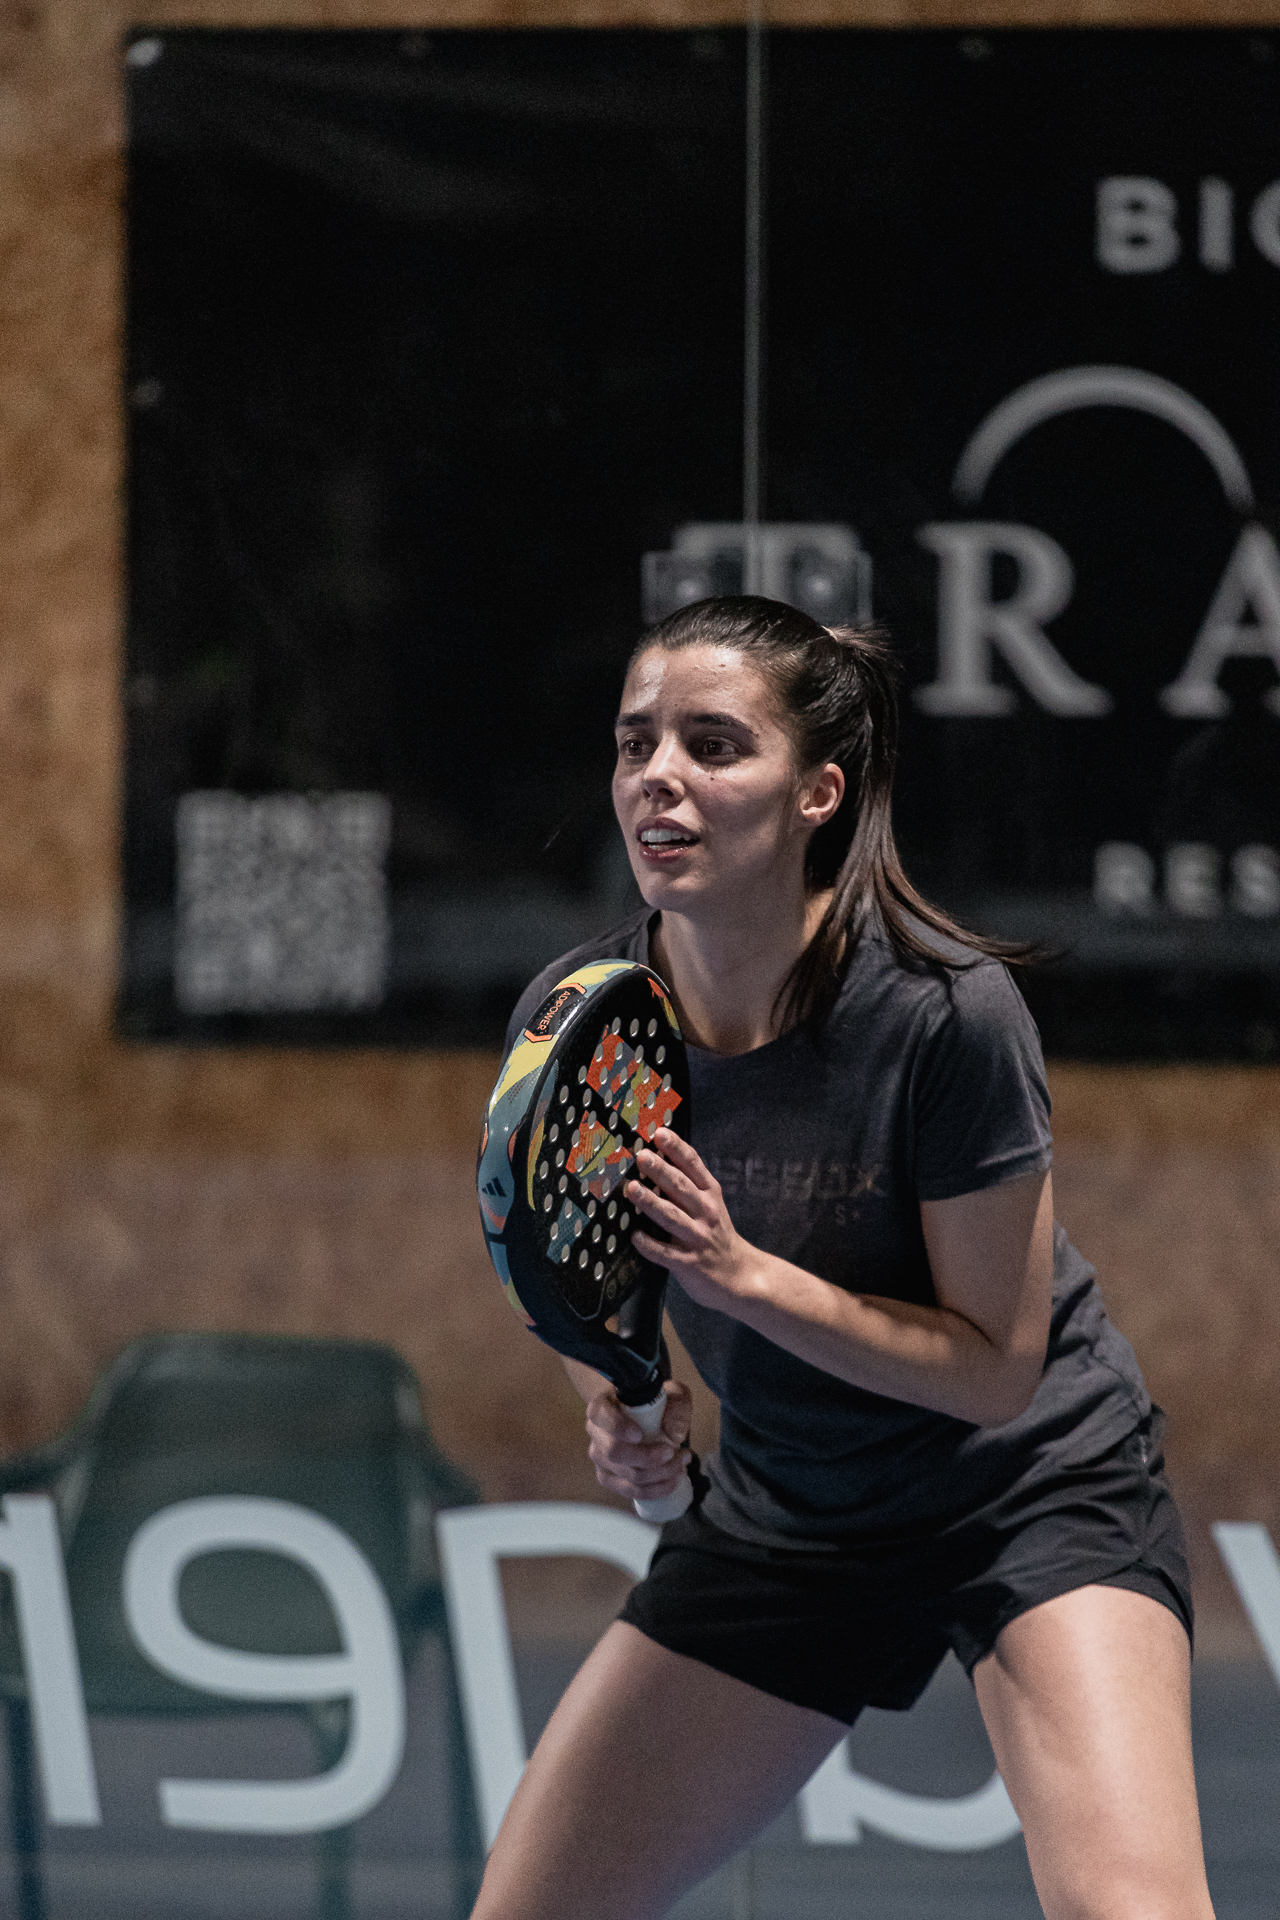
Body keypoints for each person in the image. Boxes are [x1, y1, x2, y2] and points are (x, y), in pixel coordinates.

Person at [472, 596, 1214, 1920]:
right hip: (790, 1519)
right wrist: (625, 1408)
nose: (658, 777)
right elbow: (584, 1264)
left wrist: (748, 1279)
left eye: (713, 744)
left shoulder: (947, 1014)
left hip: (1029, 1493)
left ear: (817, 792)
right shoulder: (586, 1019)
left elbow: (995, 1374)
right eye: (637, 742)